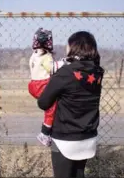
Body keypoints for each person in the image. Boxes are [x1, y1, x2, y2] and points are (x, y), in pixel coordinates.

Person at [37, 31, 104, 178]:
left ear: (74, 47)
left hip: (65, 139)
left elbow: (43, 102)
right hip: (88, 137)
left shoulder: (65, 72)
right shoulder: (97, 71)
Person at [28, 27, 68, 146]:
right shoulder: (46, 56)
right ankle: (44, 133)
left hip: (33, 85)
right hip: (42, 84)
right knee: (51, 107)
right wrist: (63, 63)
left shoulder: (34, 55)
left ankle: (49, 129)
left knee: (50, 105)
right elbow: (52, 68)